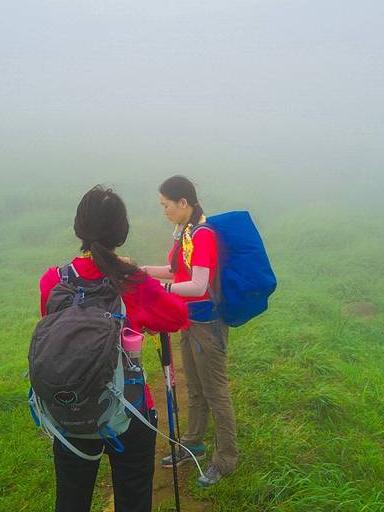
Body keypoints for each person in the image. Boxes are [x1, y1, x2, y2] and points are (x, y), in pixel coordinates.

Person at [39, 185, 189, 512]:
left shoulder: (53, 280)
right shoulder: (131, 281)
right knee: (133, 500)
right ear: (121, 232)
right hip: (129, 408)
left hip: (70, 406)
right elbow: (178, 316)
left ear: (79, 227)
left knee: (71, 502)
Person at [141, 175, 238, 487]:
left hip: (207, 326)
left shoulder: (203, 235)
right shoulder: (186, 233)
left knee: (215, 392)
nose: (164, 211)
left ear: (183, 202)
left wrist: (161, 290)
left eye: (166, 205)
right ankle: (193, 443)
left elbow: (198, 285)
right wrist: (143, 273)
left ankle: (226, 460)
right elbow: (176, 272)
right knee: (194, 387)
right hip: (190, 322)